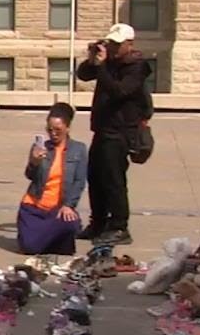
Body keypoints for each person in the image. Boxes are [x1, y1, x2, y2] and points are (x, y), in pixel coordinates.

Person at [75, 23, 150, 247]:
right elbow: (83, 74)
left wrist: (101, 67)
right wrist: (92, 60)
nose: (114, 49)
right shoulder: (108, 63)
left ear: (129, 44)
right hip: (102, 129)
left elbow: (119, 91)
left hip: (122, 131)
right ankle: (98, 222)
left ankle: (119, 226)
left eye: (118, 45)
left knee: (113, 180)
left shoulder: (137, 67)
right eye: (111, 44)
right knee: (95, 177)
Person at [17, 103, 87, 256]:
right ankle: (43, 239)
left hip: (57, 209)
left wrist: (69, 205)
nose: (53, 134)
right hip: (34, 207)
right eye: (49, 130)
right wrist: (34, 162)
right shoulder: (40, 147)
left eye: (58, 130)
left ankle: (47, 238)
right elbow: (30, 176)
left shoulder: (79, 149)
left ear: (67, 128)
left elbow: (79, 182)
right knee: (29, 248)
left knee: (70, 225)